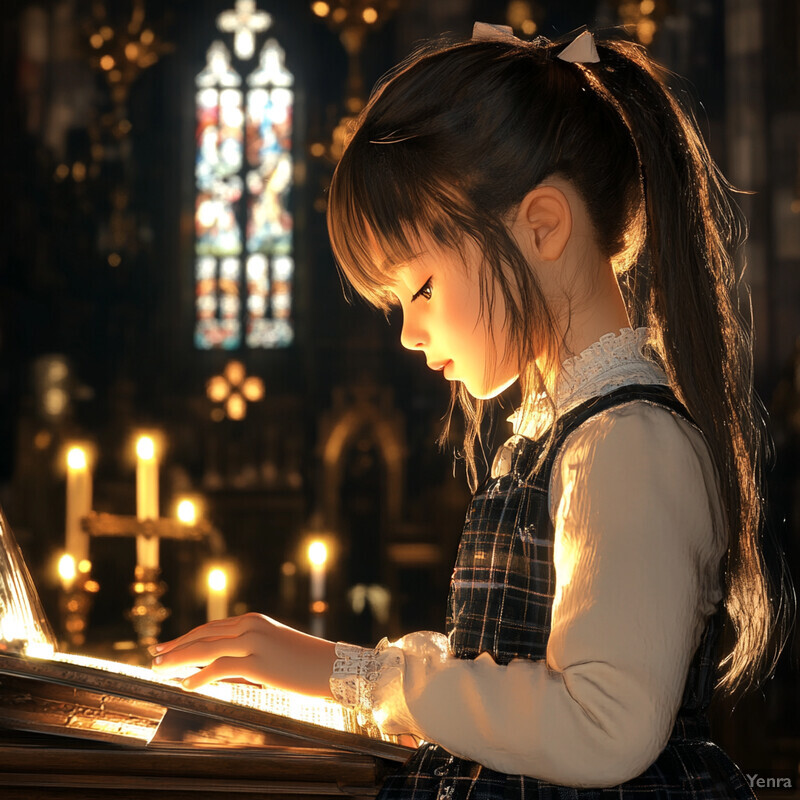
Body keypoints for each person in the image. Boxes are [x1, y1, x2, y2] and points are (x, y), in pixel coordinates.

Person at [152, 23, 794, 798]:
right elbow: (508, 667)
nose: (411, 334)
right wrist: (337, 676)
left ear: (543, 226)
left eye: (420, 289)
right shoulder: (557, 431)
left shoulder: (630, 444)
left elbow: (604, 724)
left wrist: (359, 676)